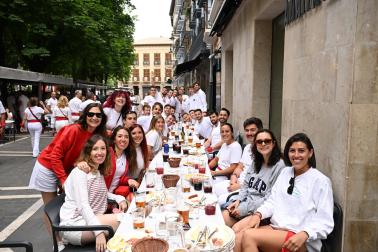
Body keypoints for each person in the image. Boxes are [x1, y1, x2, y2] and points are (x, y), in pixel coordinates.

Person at [29, 103, 108, 250]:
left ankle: (67, 231)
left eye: (98, 115)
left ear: (102, 118)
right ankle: (58, 243)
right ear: (84, 115)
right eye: (91, 114)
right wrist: (64, 179)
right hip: (47, 166)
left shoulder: (97, 134)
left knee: (66, 201)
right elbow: (55, 155)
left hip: (65, 168)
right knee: (51, 207)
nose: (94, 117)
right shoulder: (73, 130)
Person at [238, 133, 334, 252]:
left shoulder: (321, 181)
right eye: (292, 151)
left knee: (249, 236)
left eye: (301, 151)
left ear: (310, 153)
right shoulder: (285, 172)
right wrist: (258, 214)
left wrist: (305, 233)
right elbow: (273, 201)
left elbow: (325, 221)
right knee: (237, 238)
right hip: (277, 229)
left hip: (300, 238)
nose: (296, 155)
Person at [59, 135, 127, 251]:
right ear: (88, 152)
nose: (99, 152)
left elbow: (103, 194)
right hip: (75, 225)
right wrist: (98, 231)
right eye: (95, 149)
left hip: (88, 221)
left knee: (126, 220)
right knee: (123, 220)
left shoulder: (96, 171)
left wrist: (119, 198)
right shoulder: (80, 172)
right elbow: (83, 206)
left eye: (103, 148)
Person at [222, 129, 285, 237]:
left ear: (274, 143)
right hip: (245, 203)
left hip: (261, 210)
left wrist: (244, 209)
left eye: (267, 141)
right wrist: (238, 200)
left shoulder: (280, 166)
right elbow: (246, 184)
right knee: (222, 220)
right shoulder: (256, 161)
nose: (263, 144)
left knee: (236, 230)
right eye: (259, 142)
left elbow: (270, 198)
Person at [214, 117, 263, 205]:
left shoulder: (263, 152)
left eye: (252, 130)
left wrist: (239, 186)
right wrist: (234, 176)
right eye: (247, 130)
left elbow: (261, 181)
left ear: (260, 131)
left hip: (247, 188)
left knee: (220, 200)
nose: (249, 133)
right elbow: (240, 167)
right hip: (237, 181)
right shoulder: (247, 148)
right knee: (211, 189)